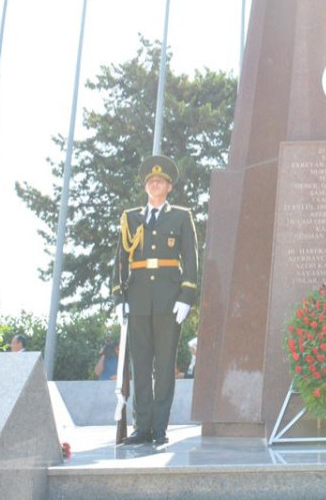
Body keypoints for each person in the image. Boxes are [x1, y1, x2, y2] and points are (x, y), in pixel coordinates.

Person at [116, 155, 199, 446]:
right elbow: (120, 261)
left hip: (168, 300)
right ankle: (142, 427)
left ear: (169, 186)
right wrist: (119, 297)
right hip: (138, 299)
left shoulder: (180, 216)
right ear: (145, 186)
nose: (155, 183)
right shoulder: (130, 218)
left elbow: (190, 258)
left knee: (164, 365)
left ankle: (160, 427)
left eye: (160, 180)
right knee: (140, 364)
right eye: (151, 181)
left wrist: (187, 295)